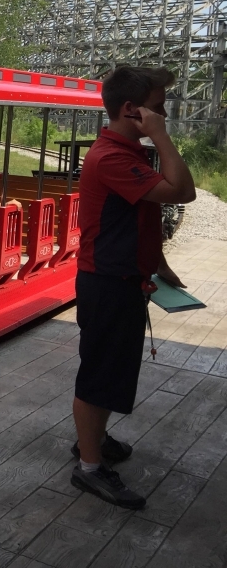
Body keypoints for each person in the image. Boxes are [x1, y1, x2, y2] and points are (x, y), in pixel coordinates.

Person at [70, 66, 195, 510]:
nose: (163, 115)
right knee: (99, 373)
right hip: (106, 280)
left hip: (124, 277)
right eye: (157, 108)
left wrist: (158, 263)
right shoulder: (113, 157)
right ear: (132, 109)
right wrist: (161, 137)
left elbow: (140, 217)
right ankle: (88, 467)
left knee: (112, 370)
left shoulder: (127, 151)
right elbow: (183, 191)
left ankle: (94, 440)